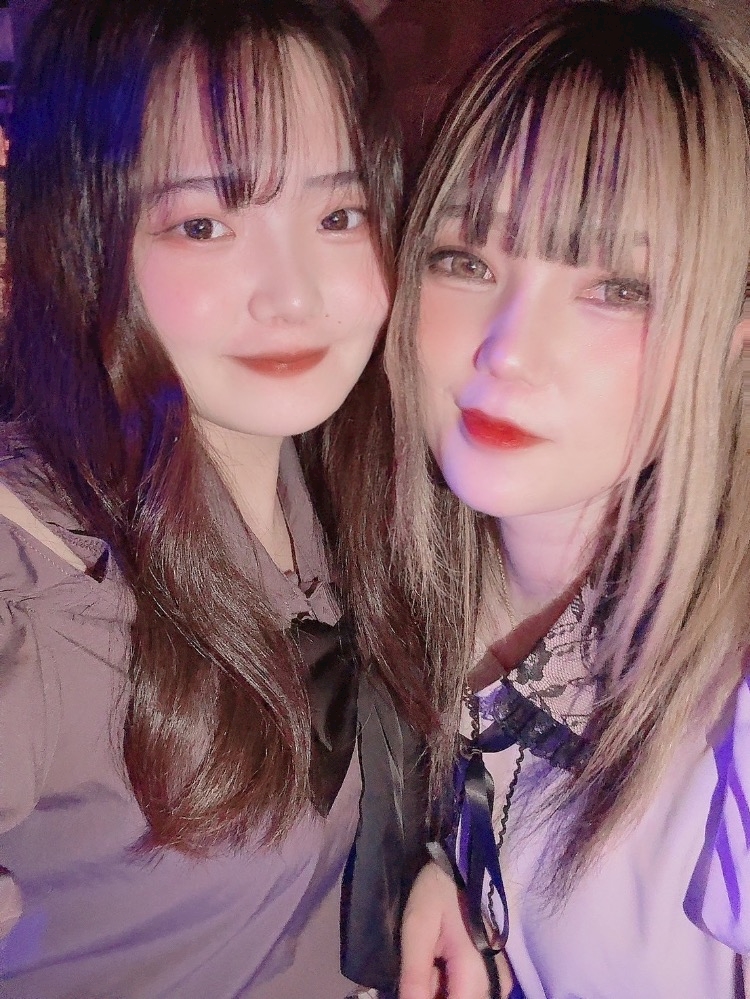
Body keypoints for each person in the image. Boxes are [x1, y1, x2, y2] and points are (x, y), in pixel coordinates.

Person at [0, 0, 434, 995]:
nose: (294, 295)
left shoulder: (345, 482)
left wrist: (441, 871)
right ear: (84, 235)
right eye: (204, 224)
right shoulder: (36, 578)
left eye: (338, 216)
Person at [372, 1, 750, 995]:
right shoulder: (382, 601)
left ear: (730, 339)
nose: (510, 351)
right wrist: (447, 874)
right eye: (466, 261)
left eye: (618, 288)